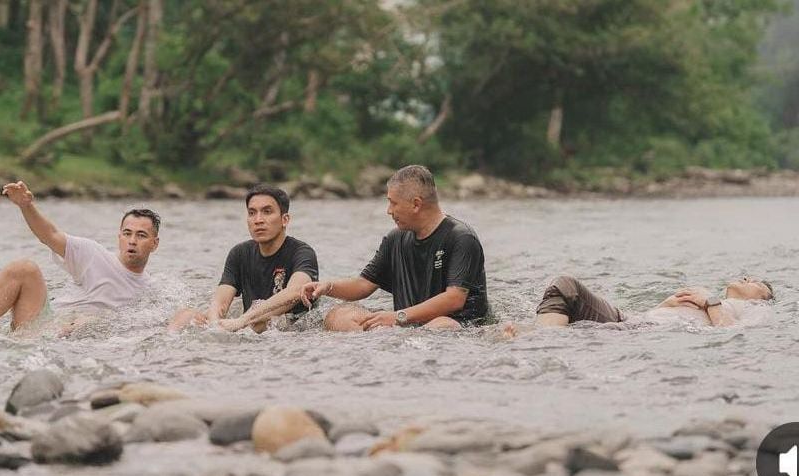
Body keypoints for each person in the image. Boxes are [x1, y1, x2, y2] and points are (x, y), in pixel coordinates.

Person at [301, 164, 491, 331]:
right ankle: (374, 348)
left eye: (393, 203)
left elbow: (454, 299)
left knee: (442, 324)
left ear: (416, 204)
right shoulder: (395, 239)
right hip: (406, 326)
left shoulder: (461, 237)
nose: (389, 210)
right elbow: (363, 285)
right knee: (338, 315)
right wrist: (327, 287)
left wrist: (398, 317)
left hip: (456, 325)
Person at [0, 181, 160, 333]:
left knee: (92, 321)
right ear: (119, 237)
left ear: (155, 243)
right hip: (41, 326)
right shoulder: (93, 254)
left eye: (141, 235)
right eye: (127, 233)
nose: (132, 241)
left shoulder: (151, 290)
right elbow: (50, 235)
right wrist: (26, 206)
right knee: (24, 268)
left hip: (77, 343)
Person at [168, 185, 319, 333]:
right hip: (248, 325)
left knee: (261, 323)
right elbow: (220, 303)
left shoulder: (302, 252)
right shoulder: (240, 253)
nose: (258, 220)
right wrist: (214, 327)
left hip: (290, 330)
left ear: (284, 219)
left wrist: (243, 320)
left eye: (267, 212)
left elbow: (295, 292)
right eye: (252, 213)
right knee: (186, 315)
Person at [502, 274, 774, 336]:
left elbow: (732, 335)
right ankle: (543, 338)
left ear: (762, 298)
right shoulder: (713, 296)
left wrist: (710, 302)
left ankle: (537, 339)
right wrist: (664, 304)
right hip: (635, 319)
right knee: (564, 285)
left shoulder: (755, 310)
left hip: (640, 332)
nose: (747, 278)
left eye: (757, 283)